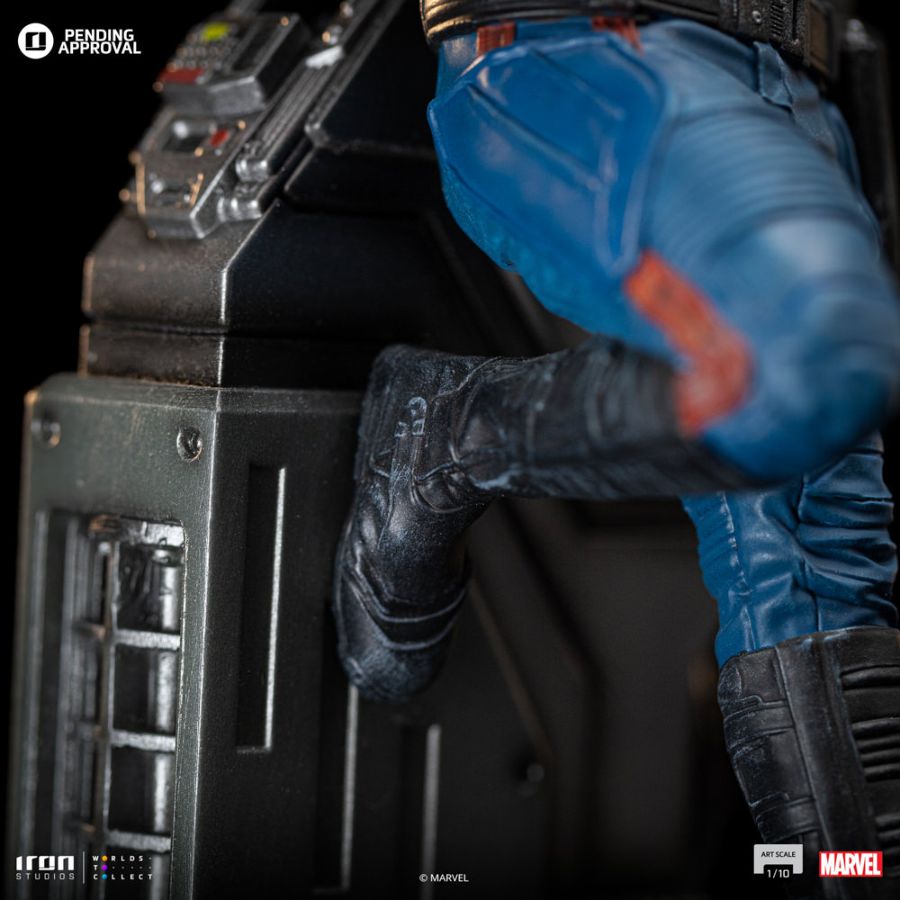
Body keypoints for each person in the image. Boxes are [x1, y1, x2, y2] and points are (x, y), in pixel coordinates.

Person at [333, 3, 900, 893]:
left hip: (794, 83)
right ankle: (451, 432)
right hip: (578, 53)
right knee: (804, 357)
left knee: (818, 561)